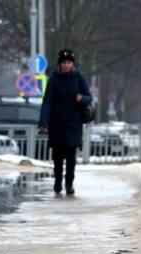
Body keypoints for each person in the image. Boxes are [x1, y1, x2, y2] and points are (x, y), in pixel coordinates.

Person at [38, 49, 93, 195]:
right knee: (57, 156)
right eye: (64, 63)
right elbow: (47, 102)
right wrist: (43, 123)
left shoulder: (78, 77)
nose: (66, 65)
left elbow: (89, 97)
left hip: (74, 123)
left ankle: (69, 183)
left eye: (69, 63)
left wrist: (82, 99)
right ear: (60, 64)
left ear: (72, 64)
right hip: (57, 123)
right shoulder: (54, 79)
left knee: (71, 156)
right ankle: (57, 182)